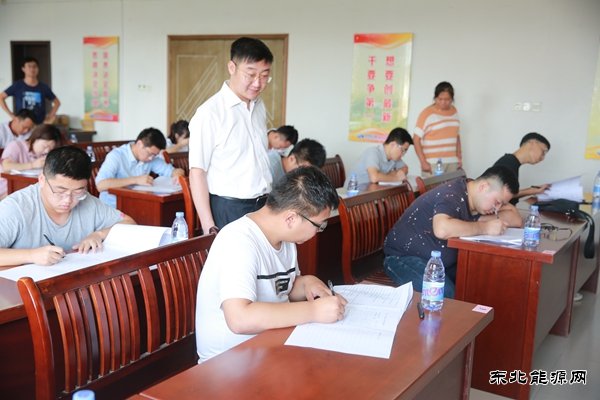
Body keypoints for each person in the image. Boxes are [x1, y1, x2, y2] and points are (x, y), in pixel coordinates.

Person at [195, 166, 347, 362]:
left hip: (270, 344)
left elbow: (282, 288)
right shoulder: (238, 240)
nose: (318, 232)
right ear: (291, 218)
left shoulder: (285, 238)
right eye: (320, 225)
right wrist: (314, 311)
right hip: (229, 361)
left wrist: (306, 283)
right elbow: (239, 319)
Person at [383, 166, 522, 297]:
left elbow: (515, 219)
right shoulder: (452, 194)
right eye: (497, 202)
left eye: (502, 204)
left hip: (440, 263)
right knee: (444, 295)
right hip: (403, 258)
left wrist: (489, 215)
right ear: (483, 187)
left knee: (482, 283)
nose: (497, 209)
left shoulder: (475, 201)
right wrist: (485, 227)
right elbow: (442, 229)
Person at [189, 37, 274, 233]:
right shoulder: (210, 113)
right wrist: (209, 227)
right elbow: (197, 173)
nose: (257, 83)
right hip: (229, 208)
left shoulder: (259, 106)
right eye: (250, 74)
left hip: (264, 205)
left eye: (264, 76)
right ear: (232, 67)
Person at [0, 146, 135, 267]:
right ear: (42, 180)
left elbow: (129, 223)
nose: (68, 200)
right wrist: (31, 255)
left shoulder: (87, 201)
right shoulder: (15, 207)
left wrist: (99, 234)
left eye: (77, 192)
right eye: (60, 191)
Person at [95, 127, 185, 208]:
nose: (151, 158)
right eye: (150, 153)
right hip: (113, 207)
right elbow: (100, 185)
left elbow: (174, 171)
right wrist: (135, 180)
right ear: (139, 144)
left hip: (137, 204)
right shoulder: (116, 156)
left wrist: (178, 175)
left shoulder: (151, 158)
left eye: (155, 155)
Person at [413, 82, 461, 177]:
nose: (443, 102)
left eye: (447, 99)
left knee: (452, 187)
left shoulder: (454, 111)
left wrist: (459, 157)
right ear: (435, 98)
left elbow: (457, 136)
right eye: (440, 99)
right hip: (433, 163)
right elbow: (416, 139)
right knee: (433, 187)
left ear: (452, 99)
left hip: (452, 162)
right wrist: (423, 162)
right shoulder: (427, 113)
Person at [0, 124, 61, 199]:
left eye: (50, 148)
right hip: (7, 187)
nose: (47, 151)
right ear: (35, 138)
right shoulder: (16, 146)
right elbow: (6, 166)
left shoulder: (45, 154)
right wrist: (32, 165)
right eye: (45, 146)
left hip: (26, 187)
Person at [492, 132, 551, 205]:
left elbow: (509, 193)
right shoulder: (508, 162)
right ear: (533, 143)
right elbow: (498, 194)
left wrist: (532, 190)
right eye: (543, 152)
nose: (543, 158)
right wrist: (531, 191)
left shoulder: (512, 162)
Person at [0, 57, 61, 124]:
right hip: (22, 124)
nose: (32, 69)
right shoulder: (17, 85)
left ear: (38, 69)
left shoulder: (43, 87)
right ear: (23, 69)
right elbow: (1, 97)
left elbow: (57, 103)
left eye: (35, 66)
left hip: (39, 125)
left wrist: (49, 117)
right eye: (29, 66)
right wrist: (11, 115)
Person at [347, 127, 413, 186]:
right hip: (353, 192)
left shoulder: (394, 158)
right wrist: (396, 178)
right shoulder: (373, 152)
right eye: (403, 150)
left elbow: (405, 168)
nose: (403, 154)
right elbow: (374, 178)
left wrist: (396, 174)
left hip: (372, 191)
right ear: (393, 144)